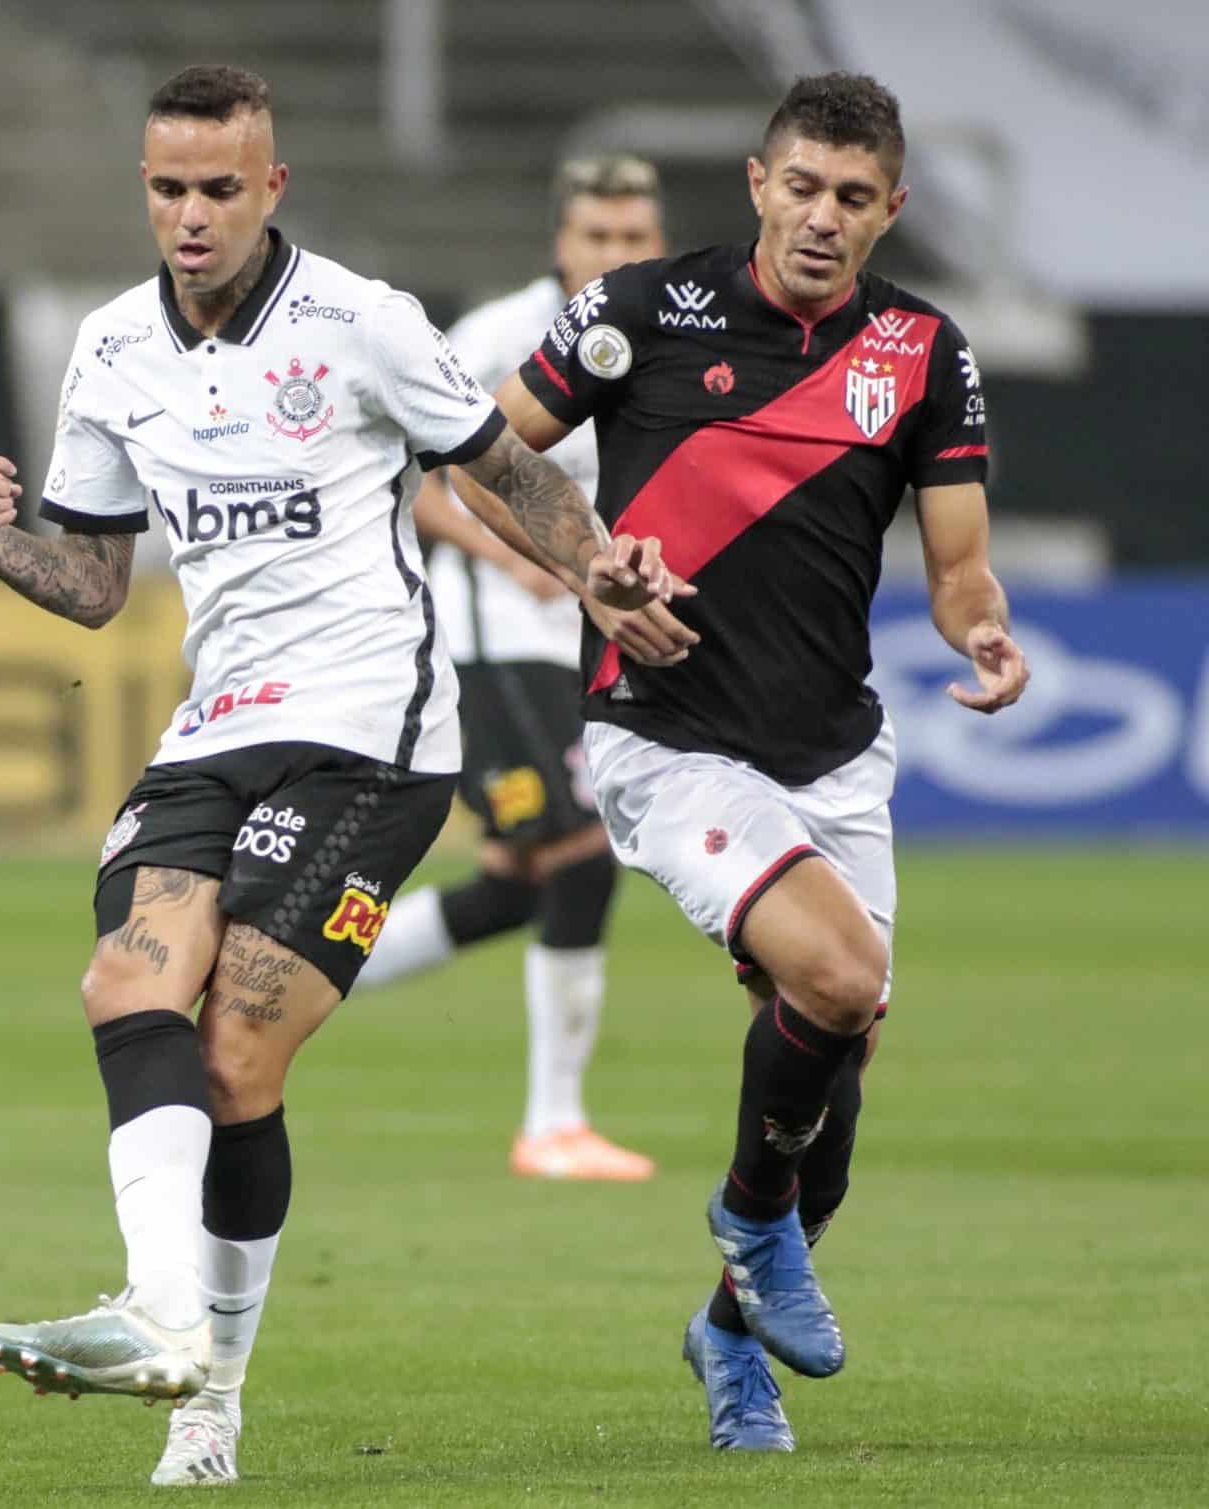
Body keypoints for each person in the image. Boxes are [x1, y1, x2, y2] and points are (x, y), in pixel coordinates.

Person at [0, 64, 682, 1488]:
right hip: (214, 728)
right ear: (144, 192)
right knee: (126, 982)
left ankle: (205, 1400)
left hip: (375, 730)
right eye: (169, 189)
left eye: (222, 187)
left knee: (236, 1050)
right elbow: (96, 585)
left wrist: (595, 572)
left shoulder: (362, 322)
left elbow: (495, 470)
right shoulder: (109, 352)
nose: (194, 215)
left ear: (271, 186)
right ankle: (161, 1313)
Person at [486, 72, 1030, 1452]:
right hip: (667, 737)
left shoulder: (920, 351)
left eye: (854, 197)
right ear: (757, 182)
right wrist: (593, 573)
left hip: (835, 754)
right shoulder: (639, 314)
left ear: (890, 208)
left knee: (836, 1067)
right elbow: (481, 457)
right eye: (802, 186)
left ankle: (730, 1331)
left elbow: (960, 565)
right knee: (839, 977)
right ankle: (749, 1223)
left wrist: (986, 636)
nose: (823, 217)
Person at [357, 155, 669, 1184]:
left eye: (632, 239)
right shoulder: (501, 334)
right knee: (579, 854)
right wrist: (531, 560)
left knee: (510, 889)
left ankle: (270, 969)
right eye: (596, 236)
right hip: (490, 640)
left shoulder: (674, 336)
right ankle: (552, 1125)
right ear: (560, 243)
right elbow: (418, 482)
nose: (614, 256)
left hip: (588, 641)